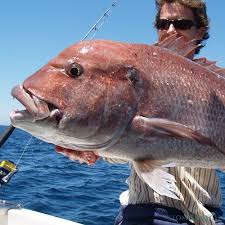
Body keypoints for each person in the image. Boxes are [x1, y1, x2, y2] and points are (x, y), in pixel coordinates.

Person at [56, 1, 225, 224]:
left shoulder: (216, 86)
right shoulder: (139, 73)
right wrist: (92, 149)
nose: (171, 30)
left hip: (208, 216)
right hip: (148, 213)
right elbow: (128, 142)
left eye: (182, 23)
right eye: (163, 23)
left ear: (200, 31)